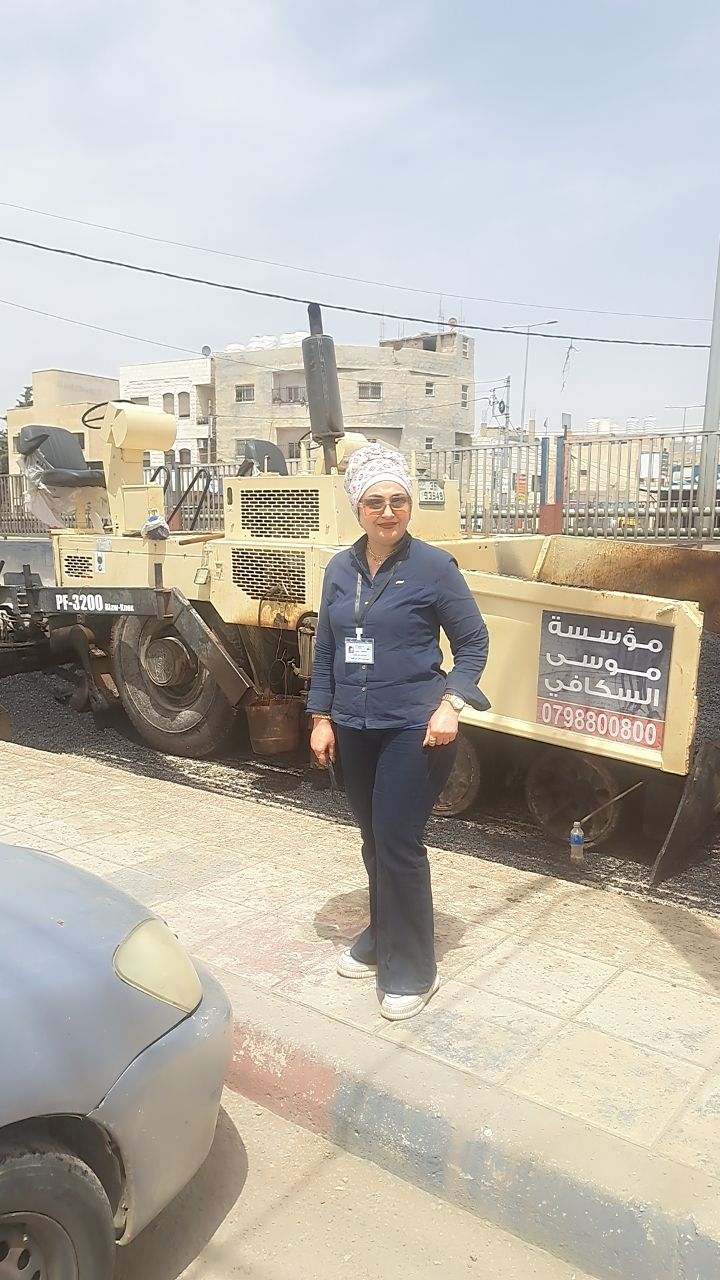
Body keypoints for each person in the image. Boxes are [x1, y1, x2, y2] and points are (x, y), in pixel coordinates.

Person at [308, 443, 489, 1023]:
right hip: (355, 724)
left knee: (398, 842)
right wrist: (320, 717)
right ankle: (382, 932)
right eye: (375, 502)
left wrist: (451, 704)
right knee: (372, 839)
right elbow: (327, 648)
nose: (388, 512)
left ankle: (412, 967)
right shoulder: (340, 569)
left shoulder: (434, 567)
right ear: (356, 509)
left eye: (398, 501)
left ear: (409, 505)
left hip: (416, 726)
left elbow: (473, 643)